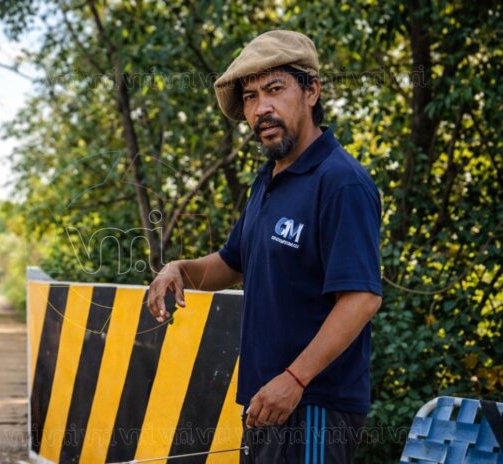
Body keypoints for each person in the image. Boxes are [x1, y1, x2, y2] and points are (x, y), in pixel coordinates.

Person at [148, 30, 382, 463]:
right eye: (251, 97)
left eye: (275, 89)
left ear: (311, 91)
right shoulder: (268, 181)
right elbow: (232, 263)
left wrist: (295, 379)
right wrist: (179, 268)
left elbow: (361, 298)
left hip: (313, 407)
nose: (261, 108)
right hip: (266, 404)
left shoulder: (340, 182)